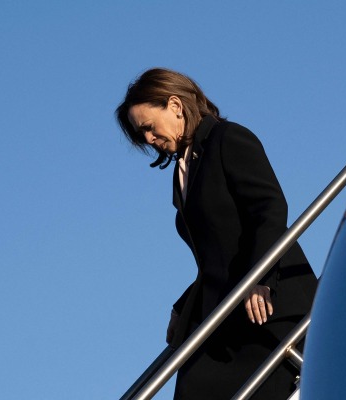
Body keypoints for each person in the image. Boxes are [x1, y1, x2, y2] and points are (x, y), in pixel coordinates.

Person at [116, 68, 318, 400]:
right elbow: (217, 254)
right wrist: (184, 306)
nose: (149, 140)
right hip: (227, 308)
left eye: (149, 128)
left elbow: (269, 208)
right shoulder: (184, 169)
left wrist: (262, 277)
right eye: (142, 135)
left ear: (176, 106)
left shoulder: (228, 139)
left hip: (265, 305)